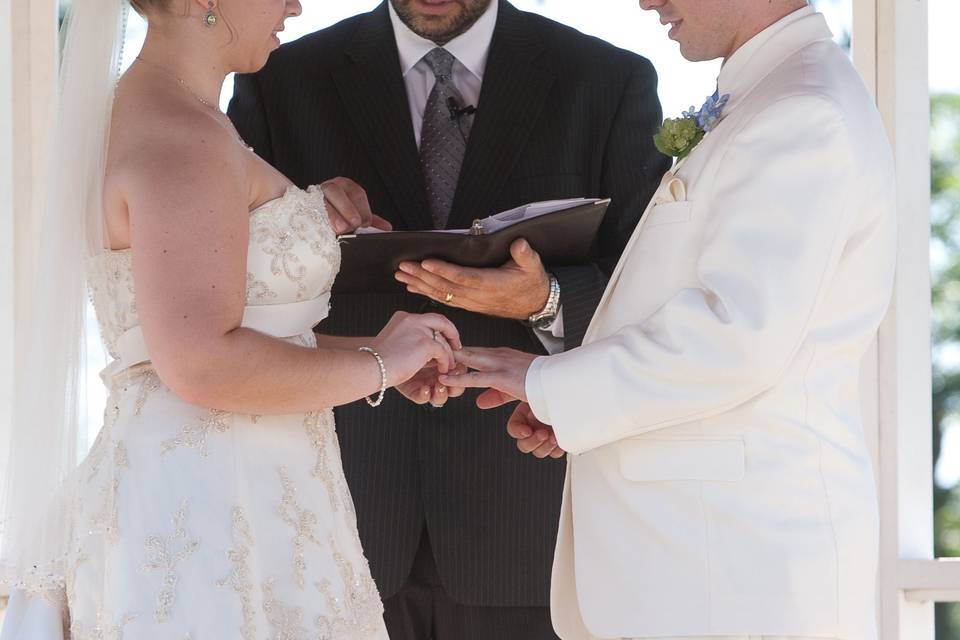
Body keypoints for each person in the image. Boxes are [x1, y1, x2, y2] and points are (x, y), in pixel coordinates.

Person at [0, 0, 462, 636]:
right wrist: (380, 365)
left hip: (227, 488)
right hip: (213, 512)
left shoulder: (170, 117)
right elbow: (201, 361)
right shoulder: (180, 135)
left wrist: (370, 353)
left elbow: (209, 331)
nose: (296, 5)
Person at [443, 1, 897, 639]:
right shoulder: (772, 95)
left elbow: (737, 338)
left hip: (736, 574)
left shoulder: (803, 112)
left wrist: (550, 384)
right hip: (697, 568)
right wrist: (578, 409)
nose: (647, 0)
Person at [228, 1, 670, 636]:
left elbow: (649, 290)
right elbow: (227, 288)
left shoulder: (606, 80)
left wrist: (543, 302)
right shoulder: (279, 81)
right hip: (332, 519)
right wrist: (300, 220)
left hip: (525, 520)